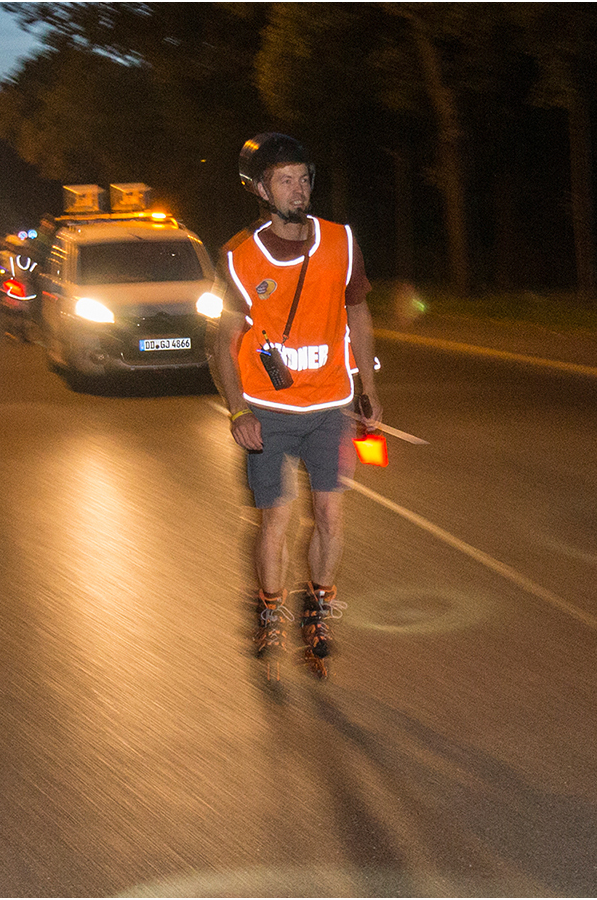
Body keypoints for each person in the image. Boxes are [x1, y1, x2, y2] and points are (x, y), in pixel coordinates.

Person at [209, 133, 381, 678]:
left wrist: (368, 386)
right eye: (285, 180)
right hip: (268, 411)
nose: (298, 189)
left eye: (304, 178)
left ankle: (318, 612)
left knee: (330, 514)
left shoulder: (341, 242)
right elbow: (222, 342)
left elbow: (358, 314)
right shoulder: (240, 256)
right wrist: (239, 412)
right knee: (275, 518)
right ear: (261, 190)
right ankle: (269, 611)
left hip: (330, 406)